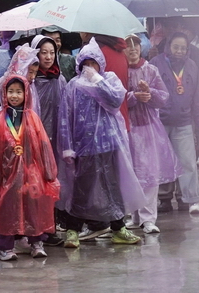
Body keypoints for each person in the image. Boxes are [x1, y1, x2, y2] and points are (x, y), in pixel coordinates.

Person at [58, 40, 143, 247]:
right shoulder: (73, 86)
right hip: (84, 146)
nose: (89, 68)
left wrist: (97, 80)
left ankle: (118, 228)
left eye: (93, 63)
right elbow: (65, 118)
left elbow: (115, 100)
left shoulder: (109, 79)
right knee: (82, 189)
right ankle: (73, 229)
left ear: (100, 64)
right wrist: (67, 147)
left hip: (109, 144)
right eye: (85, 64)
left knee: (112, 187)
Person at [0, 73, 59, 261]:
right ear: (4, 93)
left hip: (32, 175)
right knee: (7, 209)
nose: (15, 95)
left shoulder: (32, 118)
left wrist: (49, 172)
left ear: (26, 93)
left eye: (19, 91)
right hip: (8, 175)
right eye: (11, 91)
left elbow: (43, 144)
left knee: (34, 208)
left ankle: (36, 242)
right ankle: (5, 247)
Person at [123, 34, 181, 234]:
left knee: (149, 173)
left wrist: (150, 93)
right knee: (131, 173)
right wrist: (133, 96)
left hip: (148, 128)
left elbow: (163, 97)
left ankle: (148, 218)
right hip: (127, 127)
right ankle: (134, 216)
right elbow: (115, 98)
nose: (133, 49)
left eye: (136, 45)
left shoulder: (150, 70)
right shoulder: (119, 71)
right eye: (128, 46)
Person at [152, 31, 199, 215]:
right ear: (169, 46)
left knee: (188, 162)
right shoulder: (155, 64)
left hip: (184, 121)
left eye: (183, 48)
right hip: (161, 122)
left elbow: (197, 97)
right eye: (176, 47)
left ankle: (189, 199)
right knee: (163, 162)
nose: (179, 51)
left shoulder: (191, 66)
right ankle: (164, 198)